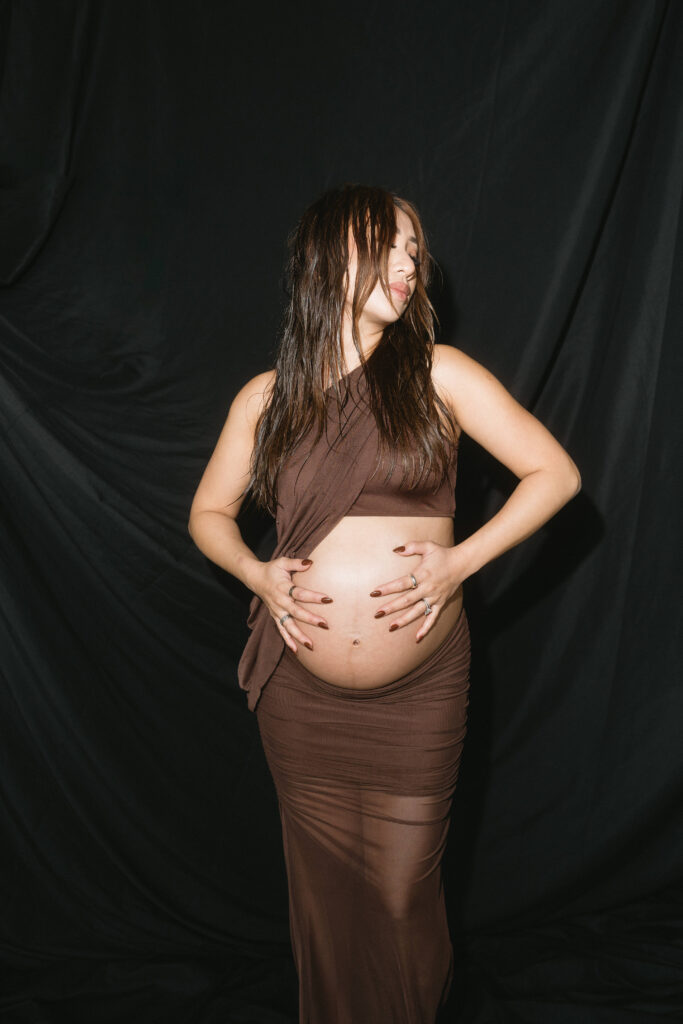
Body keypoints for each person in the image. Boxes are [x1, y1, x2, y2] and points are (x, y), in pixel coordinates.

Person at [188, 184, 581, 1024]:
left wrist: (459, 562)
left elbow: (555, 473)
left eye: (413, 249)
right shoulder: (266, 398)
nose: (409, 263)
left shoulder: (440, 373)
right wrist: (258, 575)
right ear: (330, 256)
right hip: (299, 697)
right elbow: (208, 514)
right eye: (389, 244)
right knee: (326, 899)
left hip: (418, 693)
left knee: (403, 898)